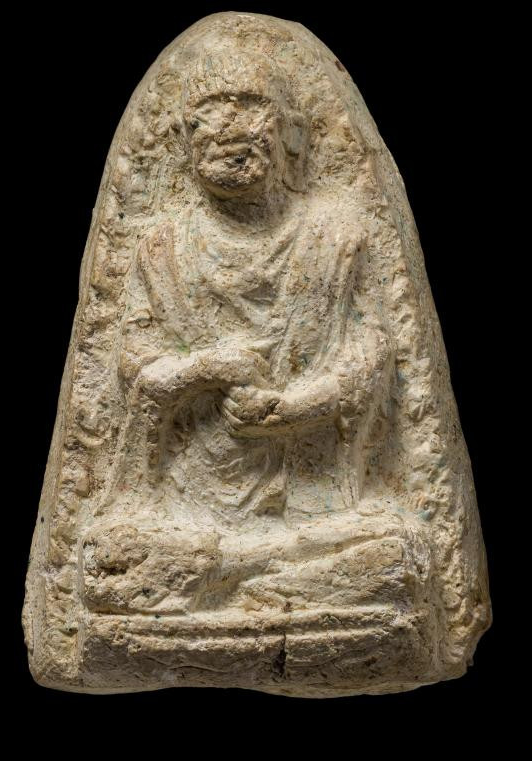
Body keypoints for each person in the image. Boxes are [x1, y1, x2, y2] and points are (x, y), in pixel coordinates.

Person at [86, 51, 431, 618]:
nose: (229, 126)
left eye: (249, 106)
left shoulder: (334, 236)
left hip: (312, 493)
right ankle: (254, 576)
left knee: (396, 554)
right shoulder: (162, 248)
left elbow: (371, 352)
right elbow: (133, 362)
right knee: (113, 558)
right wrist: (205, 368)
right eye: (208, 111)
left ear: (290, 131)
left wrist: (299, 406)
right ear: (182, 137)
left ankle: (231, 576)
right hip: (190, 495)